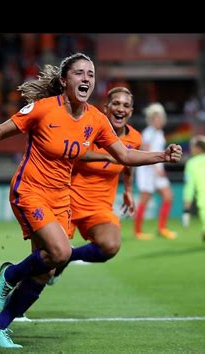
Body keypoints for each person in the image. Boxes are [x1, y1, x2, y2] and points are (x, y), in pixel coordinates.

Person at [0, 53, 182, 348]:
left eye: (91, 74)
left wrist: (161, 156)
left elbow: (124, 155)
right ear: (64, 80)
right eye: (79, 73)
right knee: (60, 252)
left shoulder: (96, 119)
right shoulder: (43, 109)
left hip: (61, 196)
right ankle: (9, 274)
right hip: (31, 189)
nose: (86, 78)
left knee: (45, 269)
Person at [47, 86, 142, 285]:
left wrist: (128, 190)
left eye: (126, 105)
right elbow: (72, 155)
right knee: (46, 268)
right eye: (116, 103)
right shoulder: (89, 129)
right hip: (66, 203)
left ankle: (69, 256)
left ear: (131, 112)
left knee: (110, 245)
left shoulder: (135, 139)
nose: (120, 109)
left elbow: (129, 164)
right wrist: (108, 155)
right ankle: (15, 296)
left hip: (98, 209)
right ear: (105, 108)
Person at [134, 102, 176, 240]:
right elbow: (145, 152)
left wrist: (160, 168)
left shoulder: (159, 133)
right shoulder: (148, 133)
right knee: (145, 199)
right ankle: (138, 231)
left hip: (157, 170)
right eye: (157, 118)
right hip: (147, 171)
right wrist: (155, 168)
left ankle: (162, 228)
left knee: (168, 196)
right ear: (151, 119)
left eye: (161, 117)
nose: (160, 120)